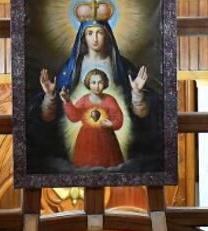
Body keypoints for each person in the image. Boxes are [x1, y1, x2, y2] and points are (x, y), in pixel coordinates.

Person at [28, 0, 162, 174]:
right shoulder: (70, 70)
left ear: (107, 35)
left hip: (114, 140)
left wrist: (136, 94)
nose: (95, 38)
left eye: (99, 32)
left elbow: (142, 116)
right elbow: (50, 117)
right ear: (83, 37)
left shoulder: (122, 67)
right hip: (80, 141)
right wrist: (50, 96)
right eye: (90, 33)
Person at [61, 68, 125, 168]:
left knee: (108, 167)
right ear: (88, 84)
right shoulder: (84, 100)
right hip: (86, 139)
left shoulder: (109, 100)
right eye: (93, 82)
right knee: (85, 166)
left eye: (100, 82)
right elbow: (74, 117)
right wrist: (67, 101)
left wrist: (111, 124)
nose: (96, 86)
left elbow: (118, 118)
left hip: (106, 139)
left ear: (104, 84)